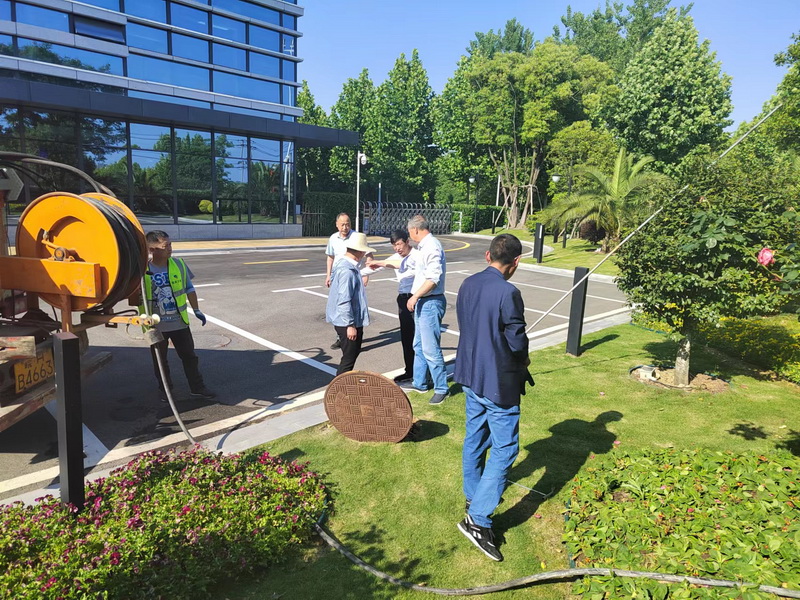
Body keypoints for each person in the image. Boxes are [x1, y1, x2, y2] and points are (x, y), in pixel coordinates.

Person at [454, 233, 533, 562]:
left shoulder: (467, 284)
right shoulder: (508, 292)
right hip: (496, 383)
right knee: (505, 448)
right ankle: (477, 518)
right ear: (516, 262)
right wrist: (524, 359)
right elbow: (517, 342)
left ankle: (475, 497)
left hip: (470, 375)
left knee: (475, 436)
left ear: (488, 256)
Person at [142, 230, 216, 402]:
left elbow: (189, 288)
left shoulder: (179, 264)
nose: (170, 249)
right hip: (155, 325)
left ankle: (197, 388)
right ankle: (166, 391)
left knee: (189, 356)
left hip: (179, 322)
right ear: (152, 249)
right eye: (165, 246)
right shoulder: (142, 269)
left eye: (170, 245)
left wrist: (196, 310)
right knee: (160, 361)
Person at [403, 214, 448, 404]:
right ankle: (420, 382)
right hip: (424, 301)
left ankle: (441, 388)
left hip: (430, 301)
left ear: (415, 230)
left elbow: (433, 278)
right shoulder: (424, 246)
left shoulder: (431, 246)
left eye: (409, 232)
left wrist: (415, 296)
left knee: (430, 348)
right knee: (419, 346)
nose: (409, 235)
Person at [367, 229, 420, 383]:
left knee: (418, 339)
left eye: (399, 244)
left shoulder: (417, 256)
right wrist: (355, 272)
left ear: (407, 242)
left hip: (416, 298)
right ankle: (409, 371)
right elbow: (376, 267)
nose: (397, 248)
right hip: (403, 299)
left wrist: (380, 262)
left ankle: (422, 374)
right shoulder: (396, 257)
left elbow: (402, 265)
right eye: (394, 245)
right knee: (406, 337)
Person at [325, 232, 374, 375]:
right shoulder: (347, 271)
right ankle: (339, 386)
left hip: (345, 320)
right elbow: (344, 300)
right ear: (360, 251)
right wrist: (350, 325)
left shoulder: (344, 264)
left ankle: (341, 385)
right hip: (346, 322)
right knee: (348, 359)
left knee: (350, 356)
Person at [325, 213, 354, 350]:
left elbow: (368, 255)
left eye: (347, 224)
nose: (345, 227)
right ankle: (340, 337)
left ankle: (354, 336)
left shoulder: (356, 237)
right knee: (338, 306)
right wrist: (328, 275)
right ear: (337, 225)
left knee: (351, 305)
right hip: (337, 276)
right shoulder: (333, 238)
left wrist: (366, 275)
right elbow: (330, 257)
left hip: (351, 277)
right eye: (342, 224)